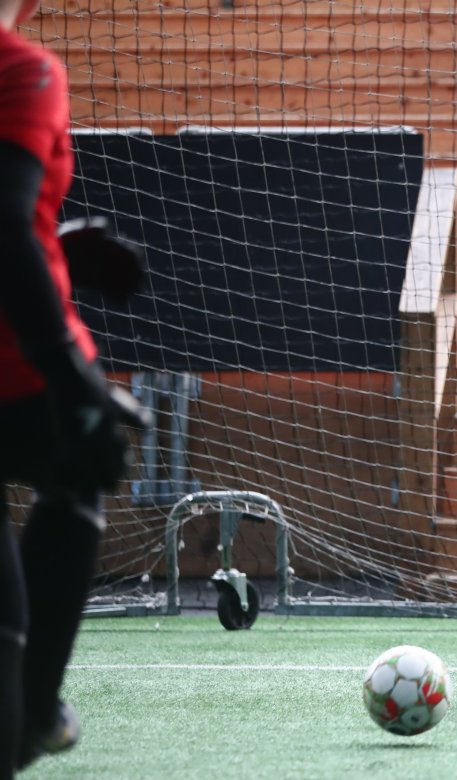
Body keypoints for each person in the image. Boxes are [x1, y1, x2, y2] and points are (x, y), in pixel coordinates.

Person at [0, 0, 147, 775]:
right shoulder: (21, 70)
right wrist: (77, 379)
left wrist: (53, 248)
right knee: (81, 469)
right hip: (18, 377)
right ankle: (32, 710)